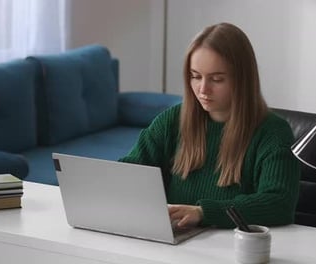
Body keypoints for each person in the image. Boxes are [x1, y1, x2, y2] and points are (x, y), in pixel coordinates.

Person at [119, 22, 300, 229]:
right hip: (173, 245)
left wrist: (204, 212)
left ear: (242, 79)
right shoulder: (172, 120)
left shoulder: (273, 133)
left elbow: (279, 204)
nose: (203, 89)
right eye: (195, 76)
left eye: (217, 79)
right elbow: (131, 170)